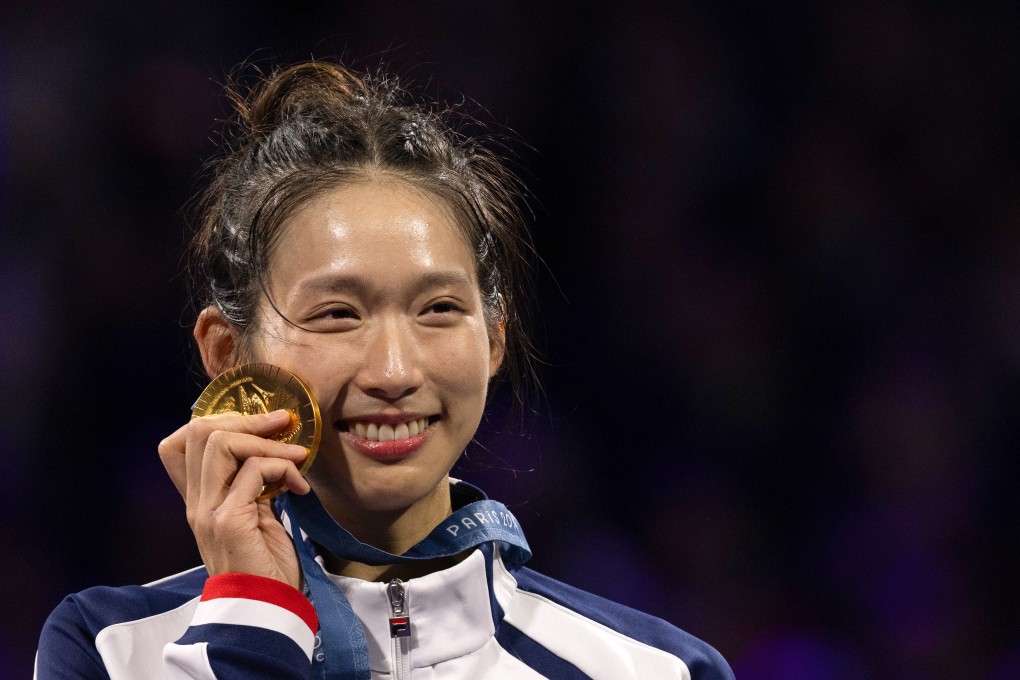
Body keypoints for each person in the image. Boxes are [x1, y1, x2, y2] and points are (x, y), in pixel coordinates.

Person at [35, 60, 734, 680]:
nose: (395, 371)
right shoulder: (107, 653)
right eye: (338, 314)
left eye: (437, 308)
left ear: (494, 337)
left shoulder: (658, 669)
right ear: (227, 352)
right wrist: (252, 616)